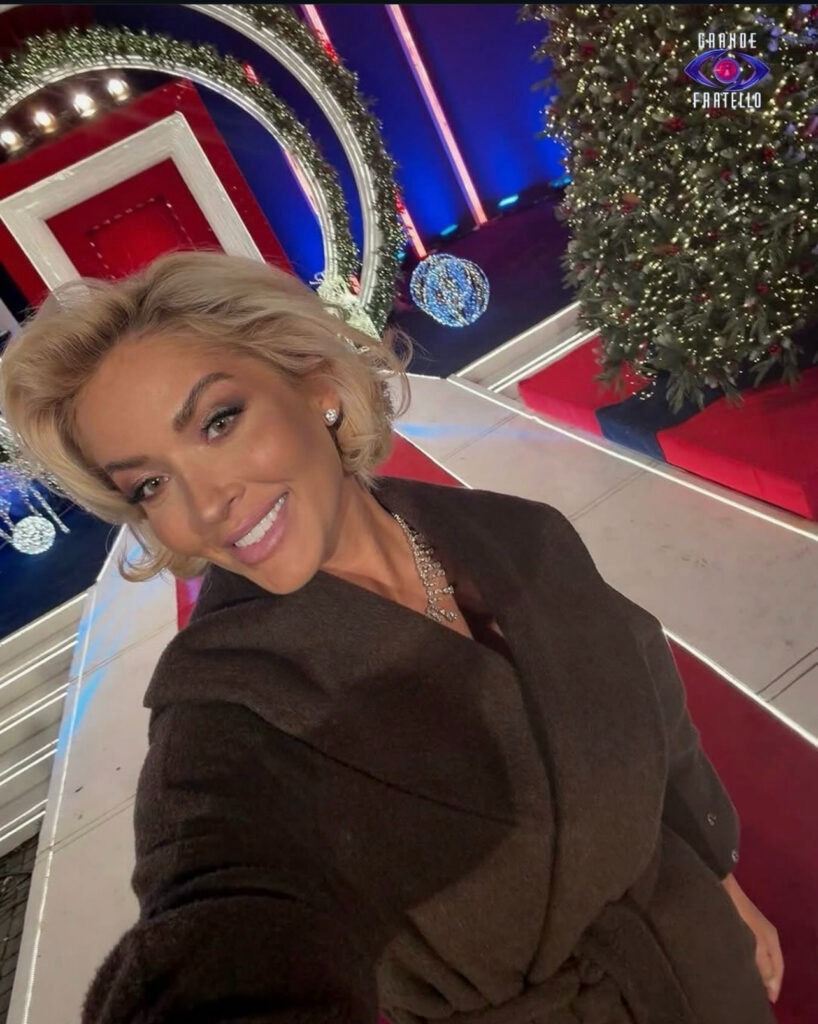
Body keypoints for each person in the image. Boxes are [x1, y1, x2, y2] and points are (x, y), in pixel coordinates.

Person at [0, 251, 783, 1024]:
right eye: (150, 484)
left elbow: (647, 693)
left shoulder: (518, 530)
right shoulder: (223, 717)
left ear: (314, 384)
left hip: (700, 953)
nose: (205, 505)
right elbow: (212, 898)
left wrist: (720, 878)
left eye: (218, 421)